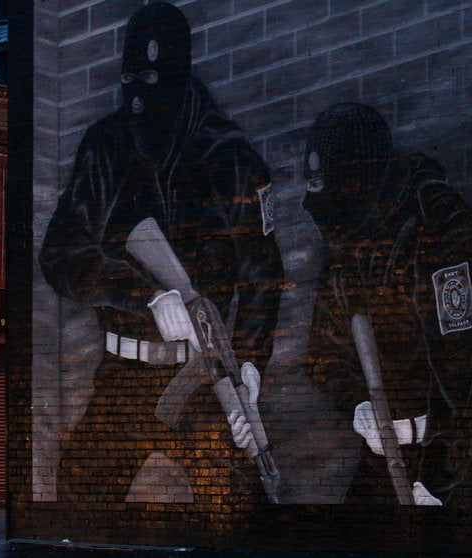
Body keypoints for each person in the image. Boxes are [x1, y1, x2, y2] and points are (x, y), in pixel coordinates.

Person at [39, 3, 284, 504]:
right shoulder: (106, 146)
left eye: (151, 77)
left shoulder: (228, 155)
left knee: (238, 504)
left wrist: (252, 361)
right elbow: (61, 253)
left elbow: (262, 271)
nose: (137, 94)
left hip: (204, 374)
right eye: (130, 78)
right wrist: (149, 297)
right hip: (121, 377)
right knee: (78, 499)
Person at [301, 103, 472, 506]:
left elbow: (468, 367)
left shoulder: (439, 229)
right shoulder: (349, 235)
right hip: (390, 447)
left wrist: (436, 476)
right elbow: (323, 350)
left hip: (459, 450)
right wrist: (357, 404)